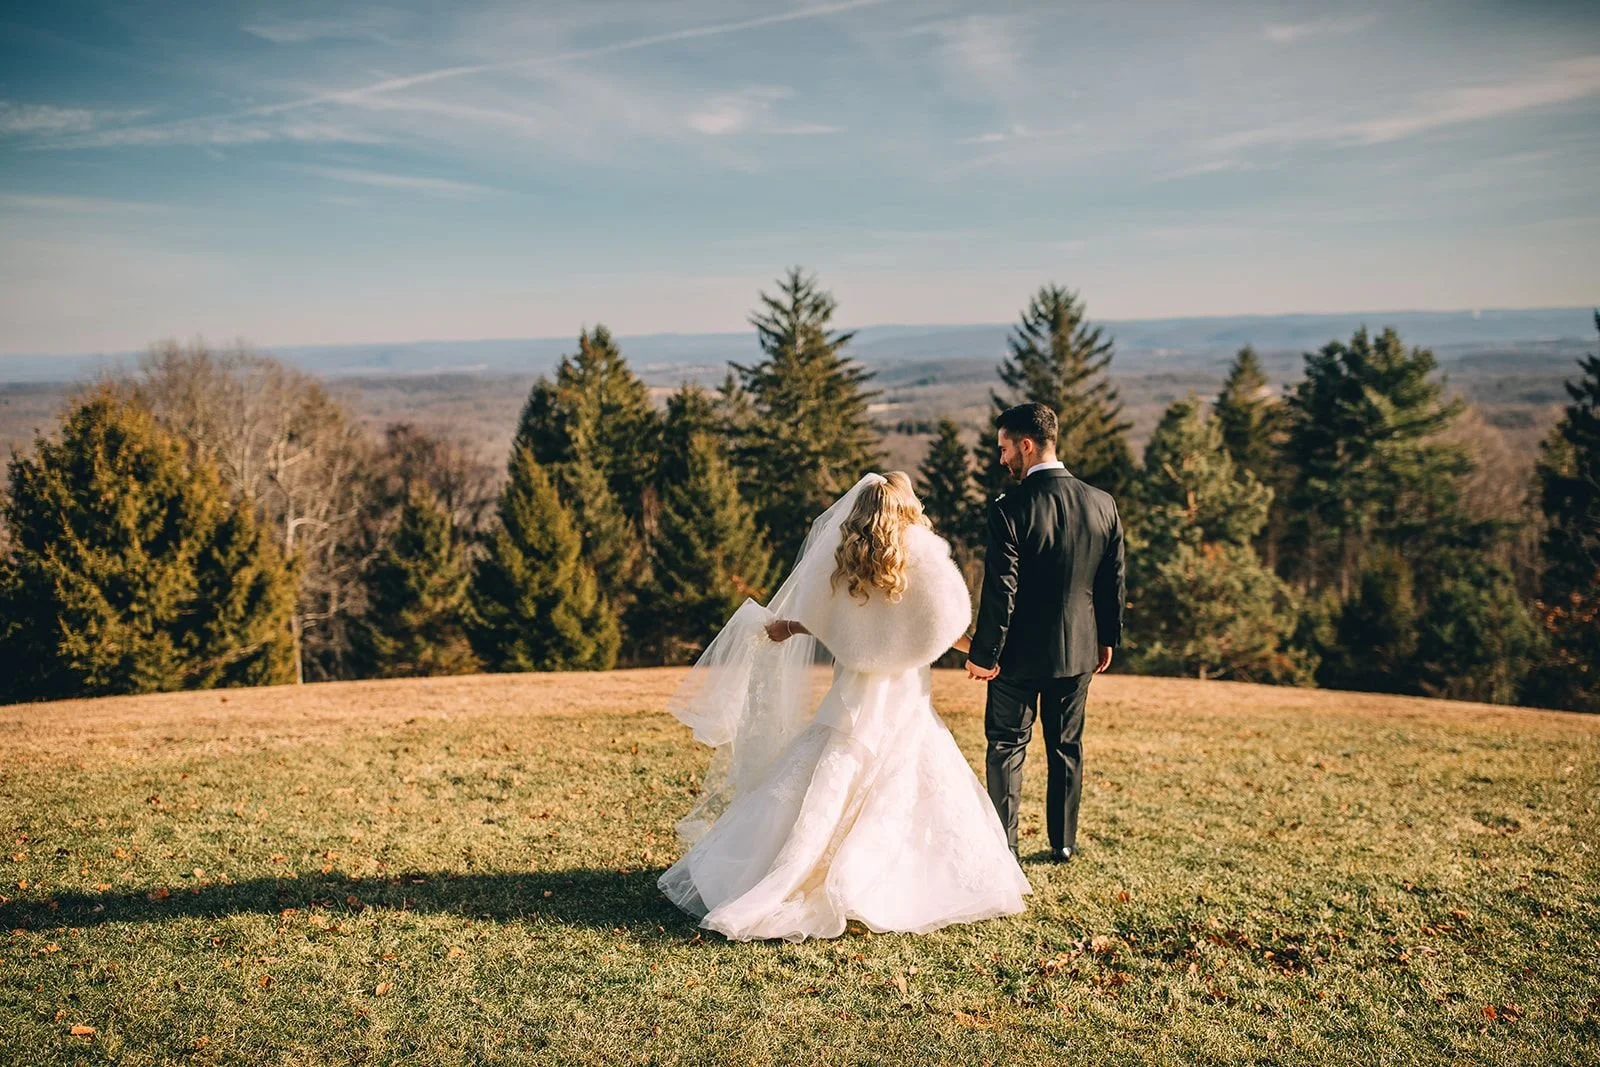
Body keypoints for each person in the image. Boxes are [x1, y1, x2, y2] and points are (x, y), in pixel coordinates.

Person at [659, 472, 1030, 942]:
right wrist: (978, 653)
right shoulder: (924, 561)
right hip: (902, 693)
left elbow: (826, 621)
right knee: (905, 776)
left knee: (829, 774)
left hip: (854, 693)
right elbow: (943, 622)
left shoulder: (843, 561)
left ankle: (792, 868)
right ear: (904, 509)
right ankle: (888, 878)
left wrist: (788, 628)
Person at [965, 402, 1125, 863]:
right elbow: (1112, 580)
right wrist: (1106, 638)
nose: (1001, 459)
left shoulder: (1009, 509)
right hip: (1078, 651)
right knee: (1067, 747)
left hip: (1015, 658)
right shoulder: (1102, 503)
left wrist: (985, 653)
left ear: (1027, 445)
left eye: (1004, 448)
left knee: (1007, 747)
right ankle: (1064, 844)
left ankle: (1005, 850)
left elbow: (1001, 591)